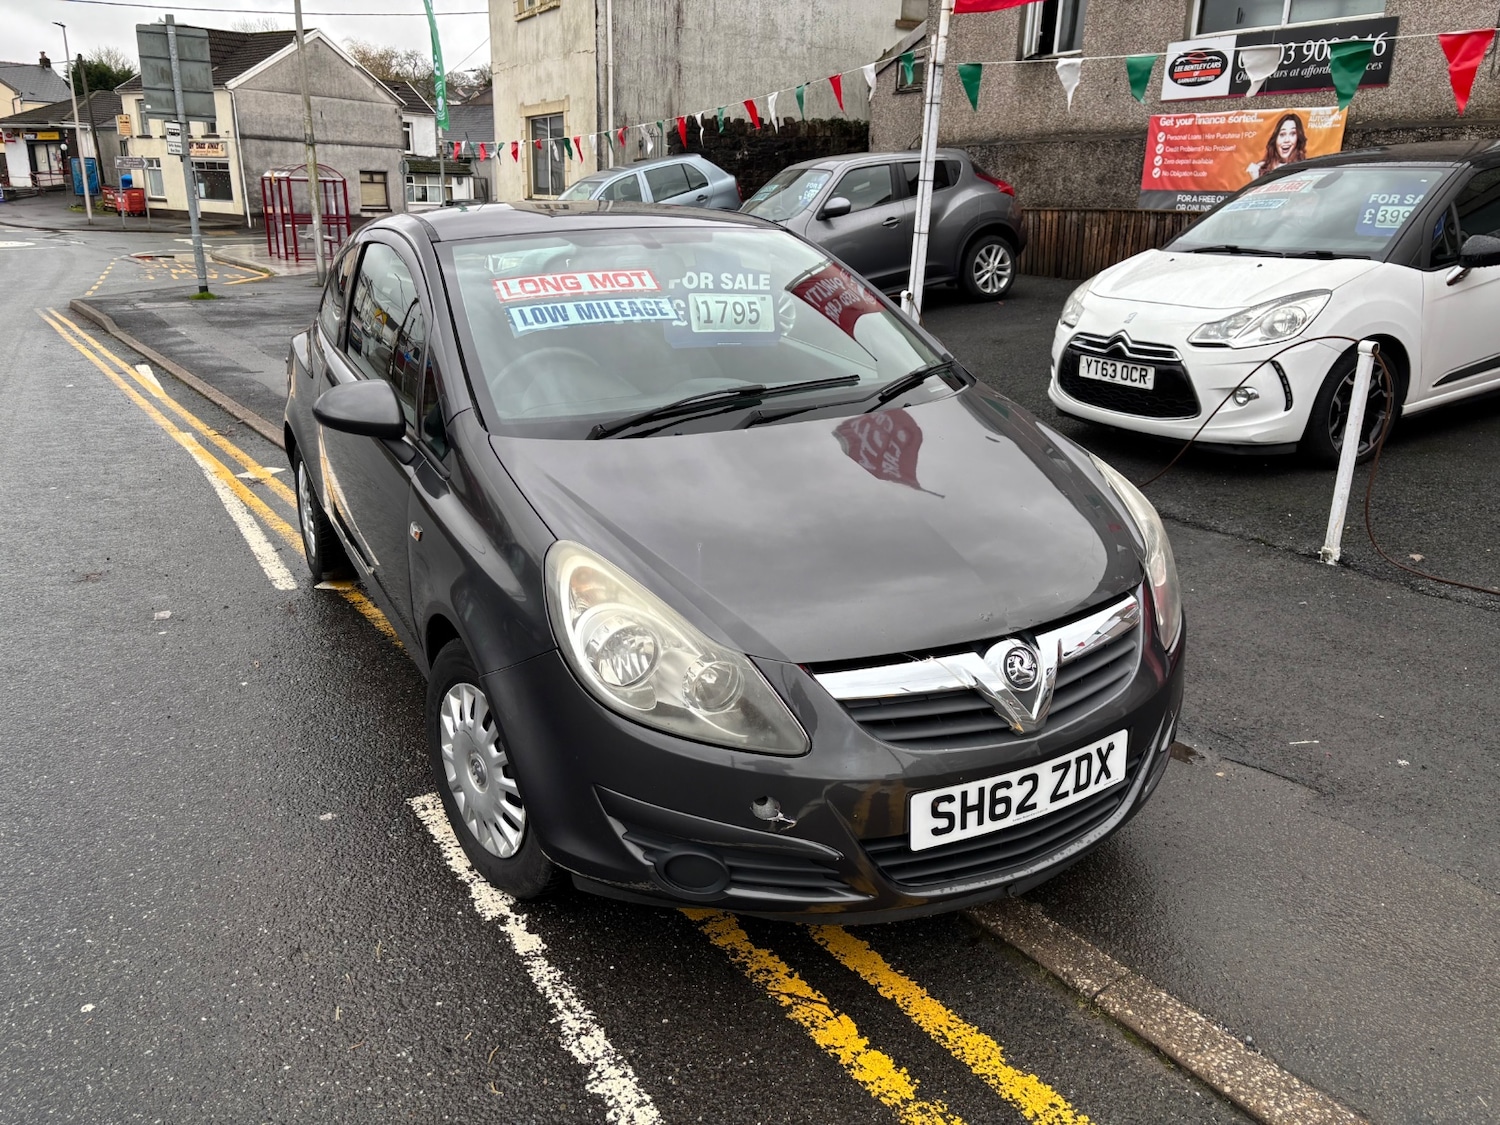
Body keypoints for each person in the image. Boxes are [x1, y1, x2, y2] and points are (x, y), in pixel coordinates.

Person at [1246, 113, 1307, 179]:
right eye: (1282, 134)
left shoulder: (1304, 169)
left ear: (1298, 138)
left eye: (1292, 134)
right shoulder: (1259, 169)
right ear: (1275, 138)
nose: (1287, 140)